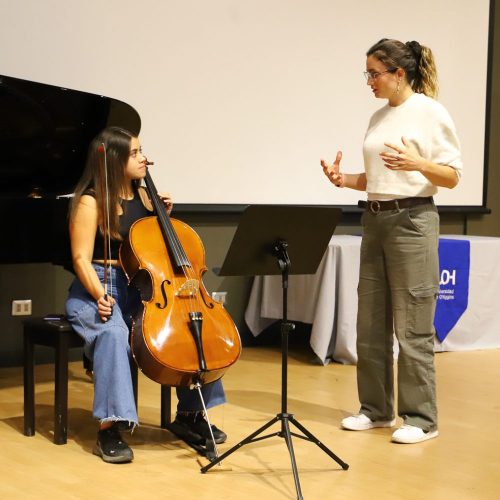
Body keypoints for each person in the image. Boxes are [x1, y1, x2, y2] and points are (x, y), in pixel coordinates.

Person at [321, 39, 462, 444]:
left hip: (414, 221)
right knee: (371, 322)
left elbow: (452, 176)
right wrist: (343, 179)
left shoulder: (431, 113)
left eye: (374, 73)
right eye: (367, 73)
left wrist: (419, 164)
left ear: (399, 74)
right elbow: (379, 178)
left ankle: (420, 419)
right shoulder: (379, 117)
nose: (369, 81)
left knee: (413, 326)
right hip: (376, 219)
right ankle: (376, 410)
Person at [65, 126, 227, 463]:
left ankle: (191, 416)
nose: (144, 159)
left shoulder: (144, 198)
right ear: (113, 160)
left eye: (141, 152)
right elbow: (80, 258)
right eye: (136, 153)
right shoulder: (90, 201)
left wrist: (162, 214)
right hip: (100, 285)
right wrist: (99, 295)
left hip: (140, 289)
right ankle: (110, 428)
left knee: (194, 326)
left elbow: (153, 254)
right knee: (113, 334)